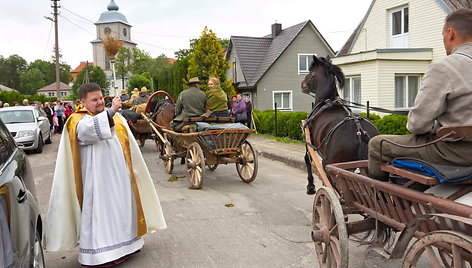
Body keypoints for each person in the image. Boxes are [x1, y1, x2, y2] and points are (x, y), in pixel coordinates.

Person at [44, 82, 166, 267]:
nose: (99, 102)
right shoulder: (78, 120)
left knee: (124, 211)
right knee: (100, 217)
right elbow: (88, 131)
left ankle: (128, 247)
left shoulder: (117, 118)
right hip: (97, 182)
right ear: (83, 101)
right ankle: (100, 256)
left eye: (101, 98)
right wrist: (111, 111)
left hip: (120, 178)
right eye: (94, 100)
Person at [368, 9, 472, 181]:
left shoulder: (444, 67)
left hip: (456, 153)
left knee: (377, 144)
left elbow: (417, 125)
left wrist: (434, 127)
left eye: (443, 36)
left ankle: (378, 200)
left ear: (450, 33)